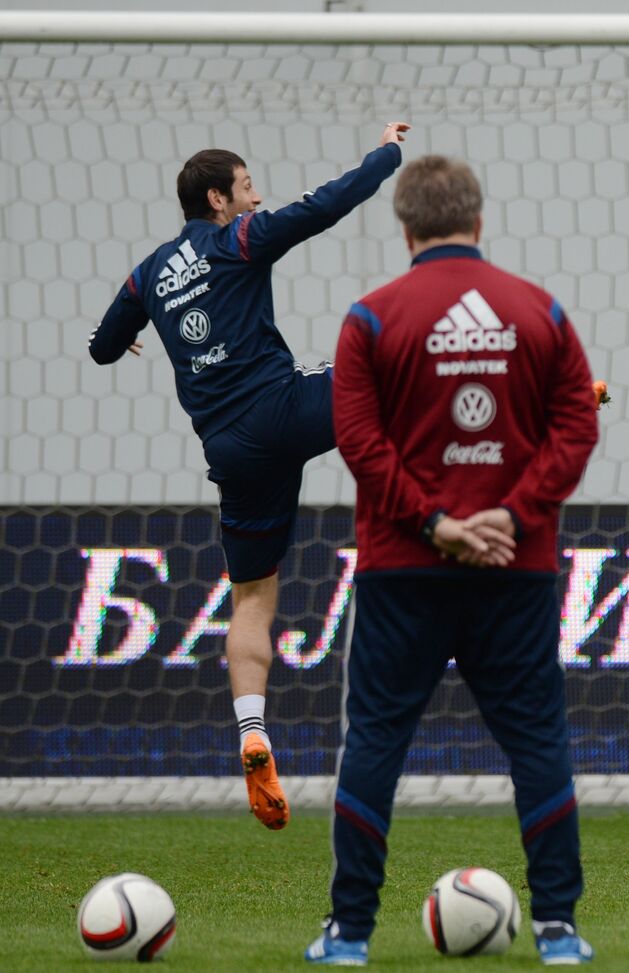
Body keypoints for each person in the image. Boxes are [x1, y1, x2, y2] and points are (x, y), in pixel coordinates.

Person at [304, 155, 598, 967]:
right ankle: (559, 930)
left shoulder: (371, 316)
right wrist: (511, 513)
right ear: (477, 218)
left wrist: (435, 522)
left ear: (403, 226)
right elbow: (577, 429)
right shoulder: (540, 310)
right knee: (537, 743)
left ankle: (350, 933)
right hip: (517, 562)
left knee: (375, 741)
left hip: (403, 565)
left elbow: (360, 444)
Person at [88, 123, 409, 830]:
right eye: (247, 186)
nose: (256, 195)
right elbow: (323, 206)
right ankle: (535, 398)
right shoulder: (238, 239)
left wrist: (130, 332)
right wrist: (386, 153)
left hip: (230, 450)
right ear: (219, 198)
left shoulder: (147, 274)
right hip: (284, 410)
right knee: (388, 368)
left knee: (254, 596)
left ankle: (253, 733)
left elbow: (103, 347)